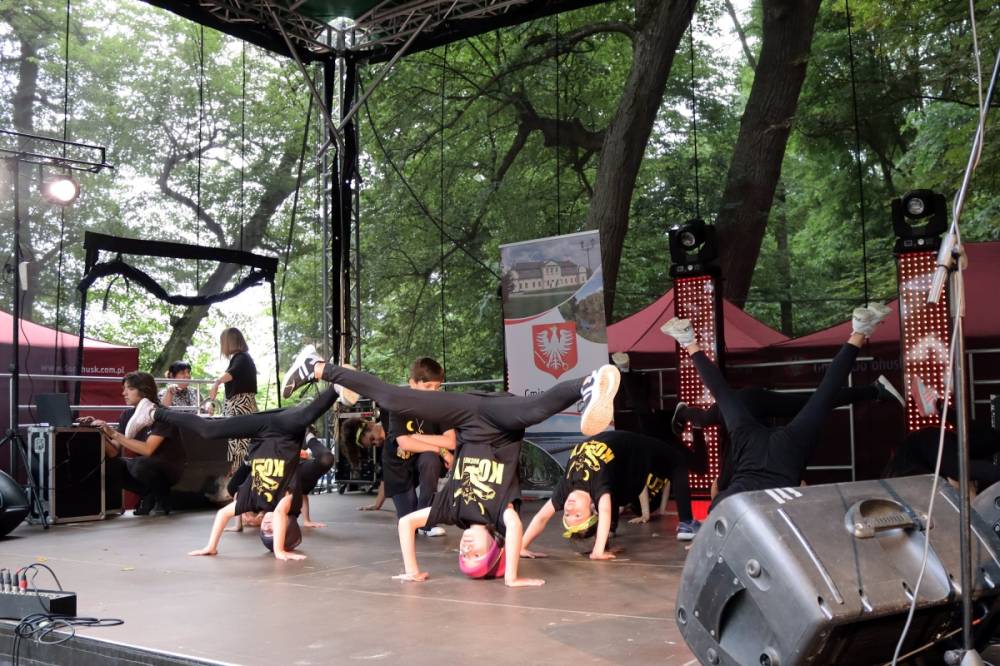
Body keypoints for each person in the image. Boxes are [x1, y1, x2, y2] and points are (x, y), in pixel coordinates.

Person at [279, 344, 621, 584]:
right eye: (476, 556)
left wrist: (412, 570)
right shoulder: (500, 517)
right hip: (500, 421)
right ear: (495, 549)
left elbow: (406, 524)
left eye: (463, 557)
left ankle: (316, 367)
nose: (466, 550)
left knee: (392, 398)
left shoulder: (451, 510)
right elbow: (517, 529)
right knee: (536, 410)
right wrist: (512, 577)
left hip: (468, 417)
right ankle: (588, 383)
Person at [660, 303, 891, 511]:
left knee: (824, 395)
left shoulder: (770, 514)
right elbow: (717, 495)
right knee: (723, 393)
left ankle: (860, 331)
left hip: (785, 452)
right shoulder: (727, 505)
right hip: (750, 446)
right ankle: (688, 340)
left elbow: (802, 486)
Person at [127, 382, 352, 560]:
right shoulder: (285, 504)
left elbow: (222, 514)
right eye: (273, 530)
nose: (267, 526)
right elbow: (280, 515)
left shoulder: (250, 500)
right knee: (307, 417)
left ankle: (154, 412)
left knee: (209, 431)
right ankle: (334, 387)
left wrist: (211, 546)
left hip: (262, 429)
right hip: (286, 429)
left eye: (264, 531)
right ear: (286, 525)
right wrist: (280, 550)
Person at [518, 430, 686, 561]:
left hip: (613, 439)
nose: (569, 509)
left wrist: (522, 546)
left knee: (615, 492)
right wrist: (598, 551)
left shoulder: (565, 489)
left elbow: (541, 517)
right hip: (634, 448)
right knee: (678, 462)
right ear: (593, 508)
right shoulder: (598, 486)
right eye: (578, 515)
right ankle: (687, 523)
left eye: (567, 515)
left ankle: (610, 529)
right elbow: (605, 511)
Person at [83, 372, 186, 516]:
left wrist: (113, 433)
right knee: (107, 465)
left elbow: (148, 450)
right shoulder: (127, 415)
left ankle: (163, 497)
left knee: (138, 465)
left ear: (144, 390)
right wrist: (98, 431)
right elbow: (113, 451)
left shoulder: (162, 414)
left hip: (167, 468)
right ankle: (147, 494)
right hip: (142, 465)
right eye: (124, 389)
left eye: (130, 389)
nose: (124, 393)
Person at [380, 357, 456, 536]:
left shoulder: (441, 406)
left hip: (423, 460)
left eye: (437, 387)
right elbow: (404, 443)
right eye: (428, 386)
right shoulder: (397, 403)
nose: (433, 392)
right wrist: (441, 449)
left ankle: (427, 523)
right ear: (412, 383)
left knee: (430, 460)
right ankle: (417, 520)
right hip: (398, 465)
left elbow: (451, 441)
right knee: (408, 525)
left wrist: (416, 437)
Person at [670, 376, 905, 433]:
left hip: (753, 405)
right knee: (815, 402)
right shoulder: (714, 414)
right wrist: (684, 414)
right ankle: (874, 390)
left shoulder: (714, 417)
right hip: (752, 402)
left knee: (816, 402)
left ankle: (875, 389)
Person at [208, 327, 258, 474]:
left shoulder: (242, 358)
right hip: (241, 406)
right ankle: (238, 478)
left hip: (240, 407)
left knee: (239, 445)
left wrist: (217, 383)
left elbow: (231, 374)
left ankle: (237, 480)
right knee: (239, 444)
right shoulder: (241, 358)